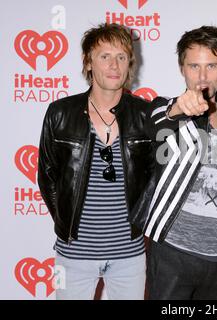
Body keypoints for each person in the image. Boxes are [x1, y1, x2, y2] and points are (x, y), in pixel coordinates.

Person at [131, 25, 217, 299]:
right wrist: (178, 109)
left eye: (211, 66)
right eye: (194, 66)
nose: (202, 76)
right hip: (171, 253)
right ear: (181, 68)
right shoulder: (166, 109)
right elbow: (153, 124)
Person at [38, 23, 153, 300]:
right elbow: (47, 176)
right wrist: (68, 226)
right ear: (88, 62)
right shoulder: (60, 113)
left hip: (130, 254)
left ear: (130, 64)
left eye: (121, 57)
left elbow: (154, 178)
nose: (114, 65)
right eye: (105, 56)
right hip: (74, 255)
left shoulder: (146, 114)